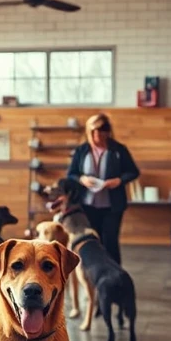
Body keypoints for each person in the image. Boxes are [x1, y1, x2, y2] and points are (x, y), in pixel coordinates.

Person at [66, 113, 140, 265]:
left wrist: (118, 181)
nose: (97, 135)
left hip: (112, 206)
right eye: (93, 131)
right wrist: (82, 179)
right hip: (87, 205)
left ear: (107, 132)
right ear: (89, 131)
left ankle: (114, 278)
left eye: (101, 131)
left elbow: (133, 172)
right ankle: (94, 276)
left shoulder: (119, 150)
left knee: (110, 241)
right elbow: (71, 174)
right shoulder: (82, 150)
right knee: (92, 241)